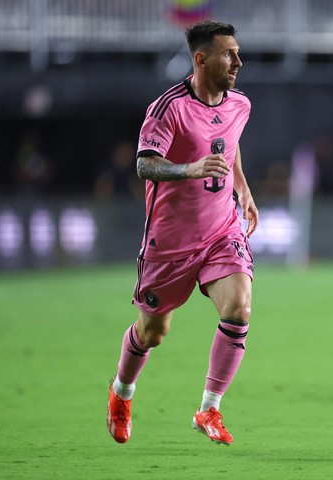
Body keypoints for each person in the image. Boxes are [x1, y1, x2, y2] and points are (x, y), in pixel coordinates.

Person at [106, 20, 259, 446]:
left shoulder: (239, 104)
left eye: (238, 52)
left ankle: (209, 408)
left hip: (220, 229)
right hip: (170, 241)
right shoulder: (167, 108)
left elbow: (228, 141)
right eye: (229, 54)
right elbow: (144, 164)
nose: (238, 61)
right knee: (153, 332)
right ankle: (122, 391)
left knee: (240, 307)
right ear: (201, 59)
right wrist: (187, 170)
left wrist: (242, 186)